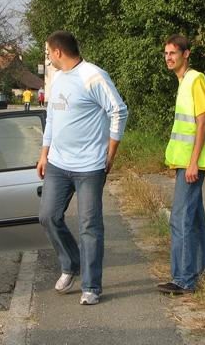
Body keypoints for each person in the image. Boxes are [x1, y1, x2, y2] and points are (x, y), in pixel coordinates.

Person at [37, 30, 128, 306]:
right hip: (58, 164)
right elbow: (51, 117)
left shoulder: (93, 75)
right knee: (48, 216)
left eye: (48, 52)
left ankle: (91, 286)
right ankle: (71, 263)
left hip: (89, 166)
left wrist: (110, 152)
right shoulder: (56, 78)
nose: (48, 56)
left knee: (90, 225)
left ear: (58, 52)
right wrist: (44, 154)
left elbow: (119, 110)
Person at [158, 34, 205, 295]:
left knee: (180, 220)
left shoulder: (195, 80)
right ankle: (200, 272)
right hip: (185, 162)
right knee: (194, 219)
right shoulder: (184, 82)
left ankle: (184, 279)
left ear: (186, 54)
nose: (169, 58)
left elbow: (202, 121)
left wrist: (193, 162)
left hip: (192, 163)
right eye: (166, 54)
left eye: (173, 53)